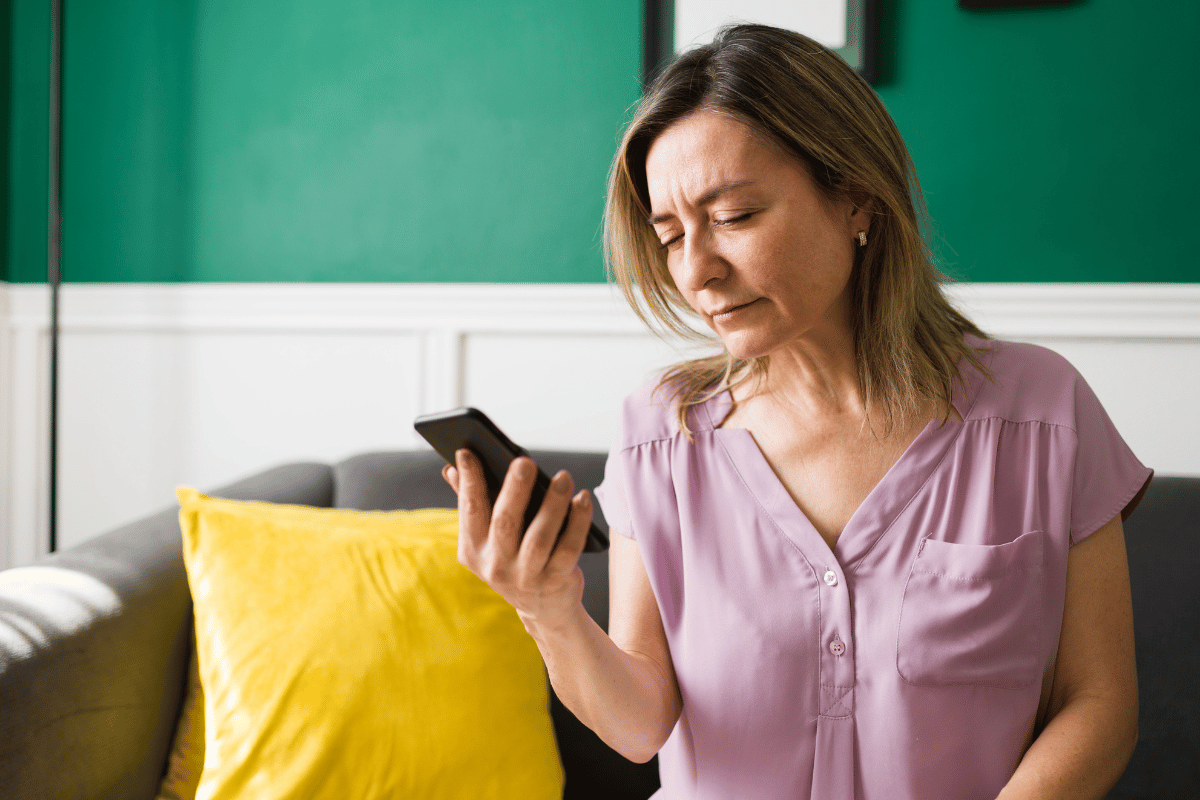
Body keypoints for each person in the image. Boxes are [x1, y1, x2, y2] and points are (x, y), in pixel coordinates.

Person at [443, 24, 1152, 800]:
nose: (698, 272)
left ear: (855, 195)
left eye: (736, 217)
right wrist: (548, 611)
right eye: (671, 235)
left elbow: (1101, 704)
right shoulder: (660, 433)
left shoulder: (1042, 412)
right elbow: (639, 725)